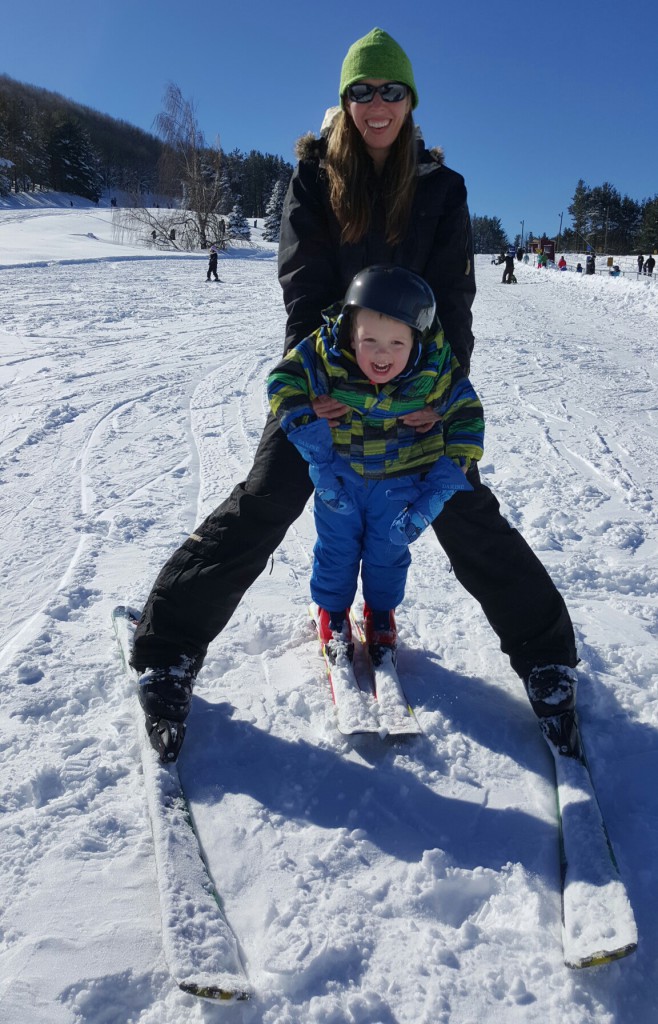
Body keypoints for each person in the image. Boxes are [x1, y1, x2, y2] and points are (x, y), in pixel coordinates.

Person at [130, 27, 578, 762]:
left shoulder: (441, 188)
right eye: (363, 91)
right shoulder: (313, 178)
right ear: (345, 101)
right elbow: (304, 296)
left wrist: (438, 389)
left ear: (410, 101)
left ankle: (548, 659)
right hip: (329, 376)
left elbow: (454, 305)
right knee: (271, 492)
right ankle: (168, 648)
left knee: (462, 500)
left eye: (391, 91)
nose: (377, 104)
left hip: (416, 382)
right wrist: (315, 391)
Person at [267, 265, 482, 658]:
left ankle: (381, 613)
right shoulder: (326, 352)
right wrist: (308, 422)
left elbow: (467, 412)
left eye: (397, 343)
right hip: (340, 477)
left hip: (400, 481)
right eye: (371, 341)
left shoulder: (435, 367)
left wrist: (445, 480)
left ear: (415, 338)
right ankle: (332, 612)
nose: (383, 354)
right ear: (351, 333)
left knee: (389, 551)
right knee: (336, 548)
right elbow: (282, 381)